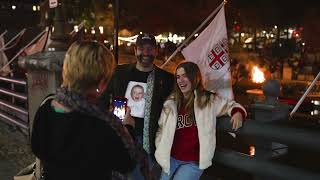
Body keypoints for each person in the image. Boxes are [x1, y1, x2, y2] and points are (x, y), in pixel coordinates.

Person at [31, 41, 139, 180]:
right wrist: (128, 128)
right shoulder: (103, 125)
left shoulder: (46, 107)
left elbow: (37, 148)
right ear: (101, 82)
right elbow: (126, 163)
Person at [99, 33, 175, 179]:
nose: (146, 52)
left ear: (156, 51)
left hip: (150, 142)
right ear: (135, 50)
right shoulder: (120, 73)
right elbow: (103, 99)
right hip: (122, 136)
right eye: (141, 48)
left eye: (150, 48)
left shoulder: (166, 79)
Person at [155, 61, 247, 180]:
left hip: (194, 162)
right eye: (178, 77)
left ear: (194, 77)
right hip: (170, 158)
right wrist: (160, 146)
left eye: (185, 76)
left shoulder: (208, 100)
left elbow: (230, 105)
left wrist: (238, 113)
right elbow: (161, 128)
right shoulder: (171, 102)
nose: (181, 80)